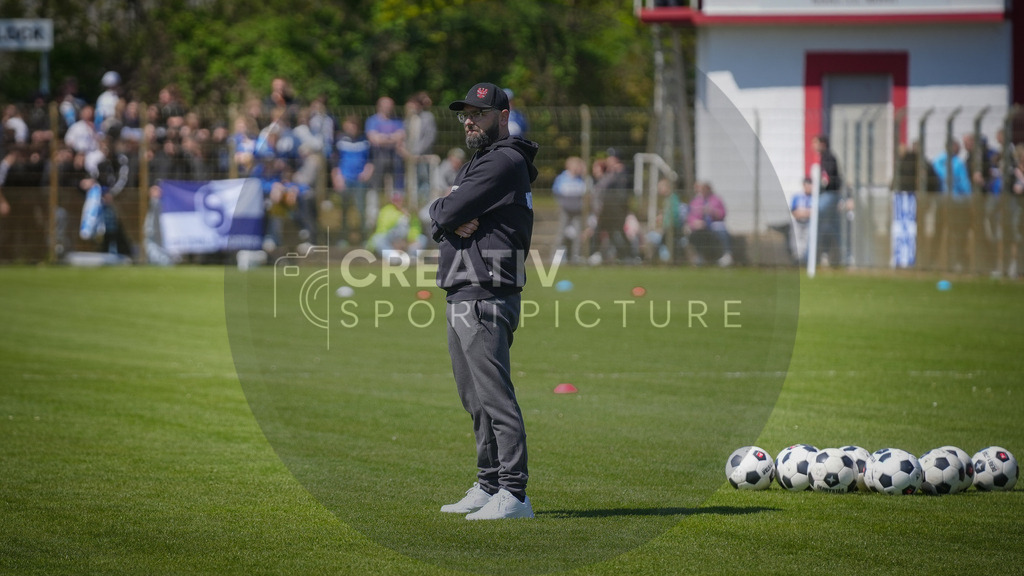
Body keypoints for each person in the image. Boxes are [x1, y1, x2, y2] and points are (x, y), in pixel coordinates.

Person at [430, 82, 538, 520]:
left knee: (494, 398)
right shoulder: (481, 162)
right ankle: (488, 483)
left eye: (480, 112)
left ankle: (514, 493)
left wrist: (445, 212)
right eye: (465, 114)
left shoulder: (504, 160)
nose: (470, 120)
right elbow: (446, 212)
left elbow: (445, 212)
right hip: (465, 287)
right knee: (474, 399)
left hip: (484, 290)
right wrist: (446, 212)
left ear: (502, 115)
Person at [331, 115, 374, 244]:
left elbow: (371, 160)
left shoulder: (365, 141)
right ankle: (343, 238)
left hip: (360, 181)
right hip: (344, 180)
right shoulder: (339, 141)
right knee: (344, 210)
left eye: (354, 125)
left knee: (361, 209)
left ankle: (364, 238)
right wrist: (336, 177)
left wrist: (367, 172)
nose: (352, 128)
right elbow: (334, 161)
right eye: (350, 125)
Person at [933, 138, 972, 272]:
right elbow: (965, 185)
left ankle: (935, 261)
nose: (959, 148)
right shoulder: (958, 164)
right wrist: (970, 200)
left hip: (940, 202)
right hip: (957, 204)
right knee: (958, 233)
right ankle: (957, 262)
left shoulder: (937, 162)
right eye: (957, 146)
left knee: (938, 233)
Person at [365, 96, 406, 196]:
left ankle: (397, 202)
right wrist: (392, 138)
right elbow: (373, 139)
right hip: (378, 155)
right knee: (376, 180)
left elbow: (401, 136)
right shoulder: (372, 120)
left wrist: (382, 138)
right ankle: (373, 206)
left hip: (395, 155)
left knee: (397, 180)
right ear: (379, 106)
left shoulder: (398, 121)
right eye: (386, 105)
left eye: (390, 105)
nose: (389, 107)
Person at [812, 134, 842, 267]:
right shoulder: (825, 158)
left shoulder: (828, 158)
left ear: (822, 144)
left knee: (815, 216)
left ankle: (811, 256)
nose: (813, 146)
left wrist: (821, 184)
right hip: (830, 195)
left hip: (830, 195)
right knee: (831, 226)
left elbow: (828, 179)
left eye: (816, 143)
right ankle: (831, 254)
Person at [687, 180, 733, 266]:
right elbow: (690, 216)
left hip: (713, 224)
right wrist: (695, 222)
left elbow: (722, 214)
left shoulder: (716, 200)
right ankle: (699, 257)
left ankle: (727, 254)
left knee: (721, 228)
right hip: (700, 227)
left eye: (703, 189)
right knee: (694, 234)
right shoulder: (696, 201)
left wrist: (712, 212)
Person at [552, 156, 587, 263]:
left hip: (578, 212)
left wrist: (584, 172)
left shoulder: (581, 179)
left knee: (577, 235)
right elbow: (556, 193)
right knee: (561, 234)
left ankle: (575, 257)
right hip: (565, 211)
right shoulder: (562, 178)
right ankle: (556, 258)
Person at [790, 177, 815, 264]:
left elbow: (814, 212)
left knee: (806, 241)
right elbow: (794, 211)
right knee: (796, 242)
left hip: (808, 223)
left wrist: (803, 212)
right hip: (797, 222)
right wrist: (805, 212)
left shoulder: (814, 197)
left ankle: (804, 260)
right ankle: (797, 260)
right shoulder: (797, 196)